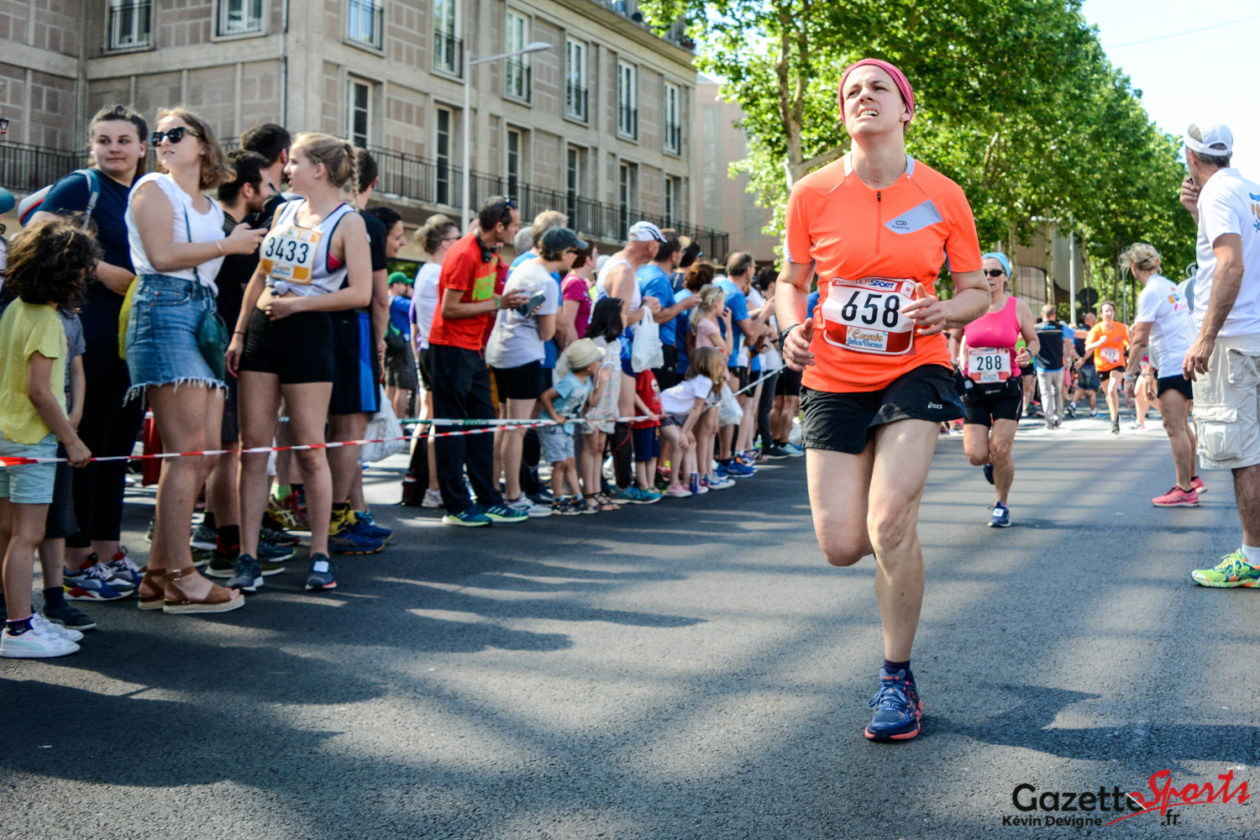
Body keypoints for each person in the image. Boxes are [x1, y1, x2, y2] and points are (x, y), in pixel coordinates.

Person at [775, 58, 987, 740]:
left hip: (915, 367)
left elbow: (978, 290)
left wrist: (946, 310)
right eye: (850, 92)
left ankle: (896, 677)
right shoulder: (811, 193)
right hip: (833, 375)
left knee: (889, 520)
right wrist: (789, 327)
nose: (862, 97)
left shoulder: (944, 194)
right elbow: (790, 280)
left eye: (878, 89)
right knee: (843, 543)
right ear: (843, 114)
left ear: (906, 110)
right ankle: (889, 546)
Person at [126, 108, 263, 614]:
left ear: (202, 144)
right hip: (163, 306)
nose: (163, 141)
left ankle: (160, 574)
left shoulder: (206, 205)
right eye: (159, 135)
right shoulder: (152, 190)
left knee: (200, 455)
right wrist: (231, 242)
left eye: (174, 133)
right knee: (187, 454)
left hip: (200, 312)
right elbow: (161, 257)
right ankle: (181, 575)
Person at [227, 132, 372, 593]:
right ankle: (247, 556)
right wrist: (239, 331)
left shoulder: (349, 222)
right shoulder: (283, 209)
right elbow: (260, 274)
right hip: (264, 334)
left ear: (320, 170)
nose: (286, 169)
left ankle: (320, 554)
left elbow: (361, 293)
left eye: (296, 162)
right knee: (254, 447)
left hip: (310, 334)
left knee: (310, 449)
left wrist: (301, 307)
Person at [28, 105, 149, 593]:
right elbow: (36, 232)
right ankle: (77, 564)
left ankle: (108, 550)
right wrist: (100, 270)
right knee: (88, 447)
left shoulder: (145, 192)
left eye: (123, 140)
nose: (114, 148)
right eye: (104, 140)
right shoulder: (82, 185)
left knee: (118, 450)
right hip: (87, 334)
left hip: (132, 337)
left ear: (143, 147)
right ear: (92, 146)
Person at [0, 217, 95, 657]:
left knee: (6, 532)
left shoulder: (15, 309)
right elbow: (41, 391)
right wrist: (71, 441)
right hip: (32, 443)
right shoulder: (46, 321)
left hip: (5, 438)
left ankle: (15, 615)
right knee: (27, 536)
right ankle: (19, 628)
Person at [1175, 123, 1260, 587]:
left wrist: (1206, 335)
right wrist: (1195, 212)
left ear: (1191, 155)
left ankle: (1253, 557)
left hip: (1234, 341)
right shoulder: (1250, 190)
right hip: (1256, 331)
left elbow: (1230, 264)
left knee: (1243, 452)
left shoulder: (1217, 195)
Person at [427, 196, 531, 527]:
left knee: (483, 425)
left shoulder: (491, 253)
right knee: (453, 429)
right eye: (514, 223)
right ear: (498, 226)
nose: (517, 228)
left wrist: (507, 301)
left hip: (472, 351)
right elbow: (449, 308)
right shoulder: (463, 253)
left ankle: (488, 499)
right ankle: (456, 506)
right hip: (449, 349)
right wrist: (497, 303)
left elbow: (490, 295)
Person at [488, 226, 586, 517]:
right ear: (563, 253)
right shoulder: (548, 280)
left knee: (504, 424)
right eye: (573, 251)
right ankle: (513, 496)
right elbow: (546, 333)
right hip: (523, 354)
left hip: (500, 350)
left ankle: (493, 488)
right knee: (516, 429)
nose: (576, 256)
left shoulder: (524, 266)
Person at [324, 148, 391, 554]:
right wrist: (379, 343)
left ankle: (348, 510)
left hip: (307, 326)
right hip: (354, 327)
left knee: (317, 431)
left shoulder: (308, 216)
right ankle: (336, 516)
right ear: (373, 183)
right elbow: (379, 296)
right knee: (350, 430)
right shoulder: (365, 224)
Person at [956, 252, 1038, 527]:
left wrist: (1028, 353)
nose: (989, 278)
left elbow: (1033, 340)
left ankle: (1001, 504)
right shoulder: (967, 305)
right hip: (974, 389)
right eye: (984, 272)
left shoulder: (1017, 307)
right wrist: (953, 363)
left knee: (1001, 449)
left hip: (1007, 387)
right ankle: (992, 464)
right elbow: (954, 337)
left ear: (1006, 277)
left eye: (995, 273)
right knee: (977, 455)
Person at [598, 221, 664, 504]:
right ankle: (624, 483)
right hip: (615, 350)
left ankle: (612, 481)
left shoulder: (620, 266)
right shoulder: (624, 270)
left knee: (616, 416)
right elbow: (619, 319)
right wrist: (646, 309)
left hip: (613, 349)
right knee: (623, 416)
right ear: (650, 245)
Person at [409, 214, 460, 510]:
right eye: (456, 239)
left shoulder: (429, 272)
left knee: (434, 417)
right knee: (440, 421)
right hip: (438, 350)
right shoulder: (435, 274)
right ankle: (434, 488)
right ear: (444, 244)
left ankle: (431, 485)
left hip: (432, 349)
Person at [538, 338, 610, 515]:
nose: (599, 363)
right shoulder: (569, 382)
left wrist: (601, 382)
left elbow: (592, 402)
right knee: (560, 463)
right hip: (553, 427)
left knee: (570, 462)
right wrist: (555, 416)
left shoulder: (585, 382)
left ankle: (577, 497)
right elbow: (546, 396)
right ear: (588, 366)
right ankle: (557, 500)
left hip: (567, 427)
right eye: (597, 360)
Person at [576, 297, 624, 512]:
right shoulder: (594, 344)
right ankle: (589, 492)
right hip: (594, 402)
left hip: (609, 402)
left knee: (600, 447)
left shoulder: (616, 343)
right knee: (590, 445)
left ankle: (597, 490)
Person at [658, 347, 726, 496]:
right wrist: (684, 431)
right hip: (665, 411)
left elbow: (699, 410)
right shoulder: (704, 382)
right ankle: (674, 483)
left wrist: (687, 430)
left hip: (676, 415)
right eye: (720, 364)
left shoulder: (707, 383)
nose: (722, 366)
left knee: (690, 443)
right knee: (679, 443)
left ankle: (690, 481)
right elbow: (695, 410)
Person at [637, 230, 698, 390]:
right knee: (660, 401)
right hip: (657, 348)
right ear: (674, 255)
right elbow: (655, 316)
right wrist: (685, 304)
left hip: (650, 346)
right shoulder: (658, 279)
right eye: (681, 252)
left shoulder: (642, 271)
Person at [1084, 301, 1129, 434]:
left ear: (1114, 313)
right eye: (1106, 311)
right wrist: (1099, 342)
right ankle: (1114, 414)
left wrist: (1130, 336)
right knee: (1109, 394)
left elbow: (1130, 343)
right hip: (1102, 366)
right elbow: (1087, 347)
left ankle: (1114, 421)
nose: (1108, 313)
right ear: (1101, 314)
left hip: (1117, 364)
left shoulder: (1121, 328)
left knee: (1112, 389)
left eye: (1110, 310)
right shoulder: (1097, 329)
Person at [1034, 304, 1074, 429]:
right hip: (1058, 366)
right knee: (1058, 393)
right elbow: (1077, 334)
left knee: (1045, 394)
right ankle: (1059, 417)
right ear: (1054, 315)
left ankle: (1049, 420)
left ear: (1042, 315)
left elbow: (1020, 335)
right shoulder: (1060, 328)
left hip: (1042, 367)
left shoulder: (1036, 328)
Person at [1067, 311, 1099, 417]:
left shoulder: (1078, 333)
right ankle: (1093, 411)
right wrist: (1084, 359)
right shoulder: (1093, 332)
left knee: (1081, 386)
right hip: (1090, 363)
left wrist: (1078, 359)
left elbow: (1073, 348)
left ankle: (1073, 405)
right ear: (1092, 321)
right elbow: (1093, 348)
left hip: (1080, 364)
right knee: (1091, 388)